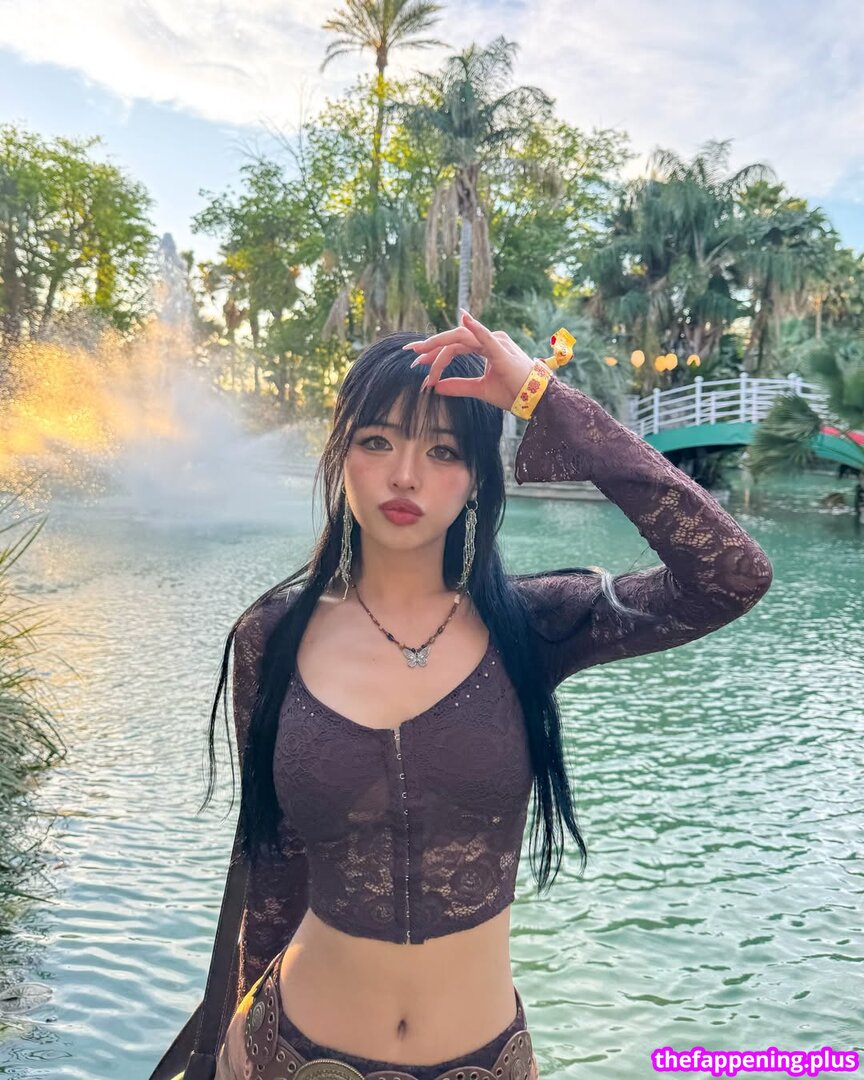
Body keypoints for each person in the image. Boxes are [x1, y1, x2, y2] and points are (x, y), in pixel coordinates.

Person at [204, 311, 773, 1080]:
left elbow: (731, 575)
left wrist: (543, 397)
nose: (406, 475)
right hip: (286, 1052)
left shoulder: (535, 624)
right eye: (377, 441)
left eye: (443, 451)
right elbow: (272, 864)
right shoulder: (271, 636)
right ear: (340, 455)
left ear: (477, 476)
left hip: (485, 1060)